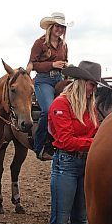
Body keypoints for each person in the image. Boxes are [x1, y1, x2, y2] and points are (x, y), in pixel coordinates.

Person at [36, 61, 108, 224]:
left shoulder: (90, 106)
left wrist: (99, 140)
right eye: (90, 84)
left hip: (86, 165)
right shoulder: (60, 104)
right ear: (79, 83)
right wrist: (97, 144)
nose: (93, 89)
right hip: (65, 164)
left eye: (95, 85)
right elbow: (65, 141)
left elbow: (96, 132)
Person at [28, 12, 73, 161]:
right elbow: (33, 64)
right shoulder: (39, 43)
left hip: (59, 79)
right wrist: (52, 64)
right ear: (51, 27)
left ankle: (64, 142)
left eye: (62, 27)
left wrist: (66, 67)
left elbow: (65, 60)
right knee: (48, 110)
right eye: (57, 26)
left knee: (70, 107)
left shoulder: (63, 45)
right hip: (43, 80)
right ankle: (39, 145)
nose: (60, 29)